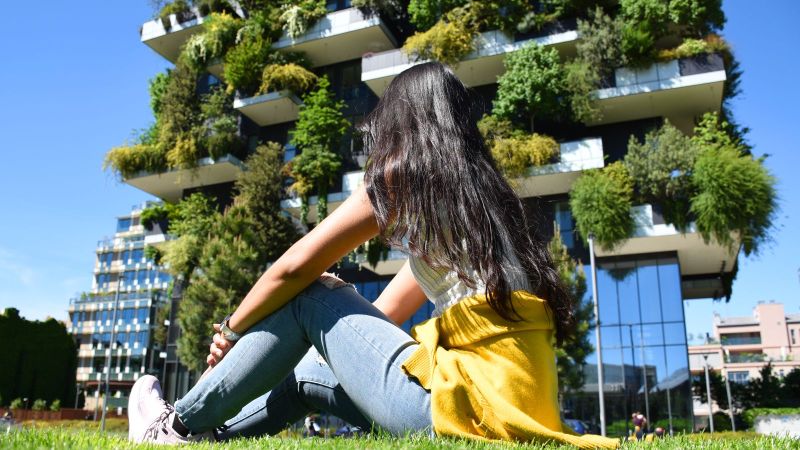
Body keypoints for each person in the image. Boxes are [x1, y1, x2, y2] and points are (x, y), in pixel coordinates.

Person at [126, 62, 618, 448]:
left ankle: (177, 426)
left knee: (309, 292)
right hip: (502, 415)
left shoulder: (401, 178)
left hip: (467, 414)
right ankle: (206, 439)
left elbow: (292, 269)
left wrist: (231, 331)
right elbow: (379, 321)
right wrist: (332, 320)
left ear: (402, 123)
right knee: (309, 371)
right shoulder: (487, 214)